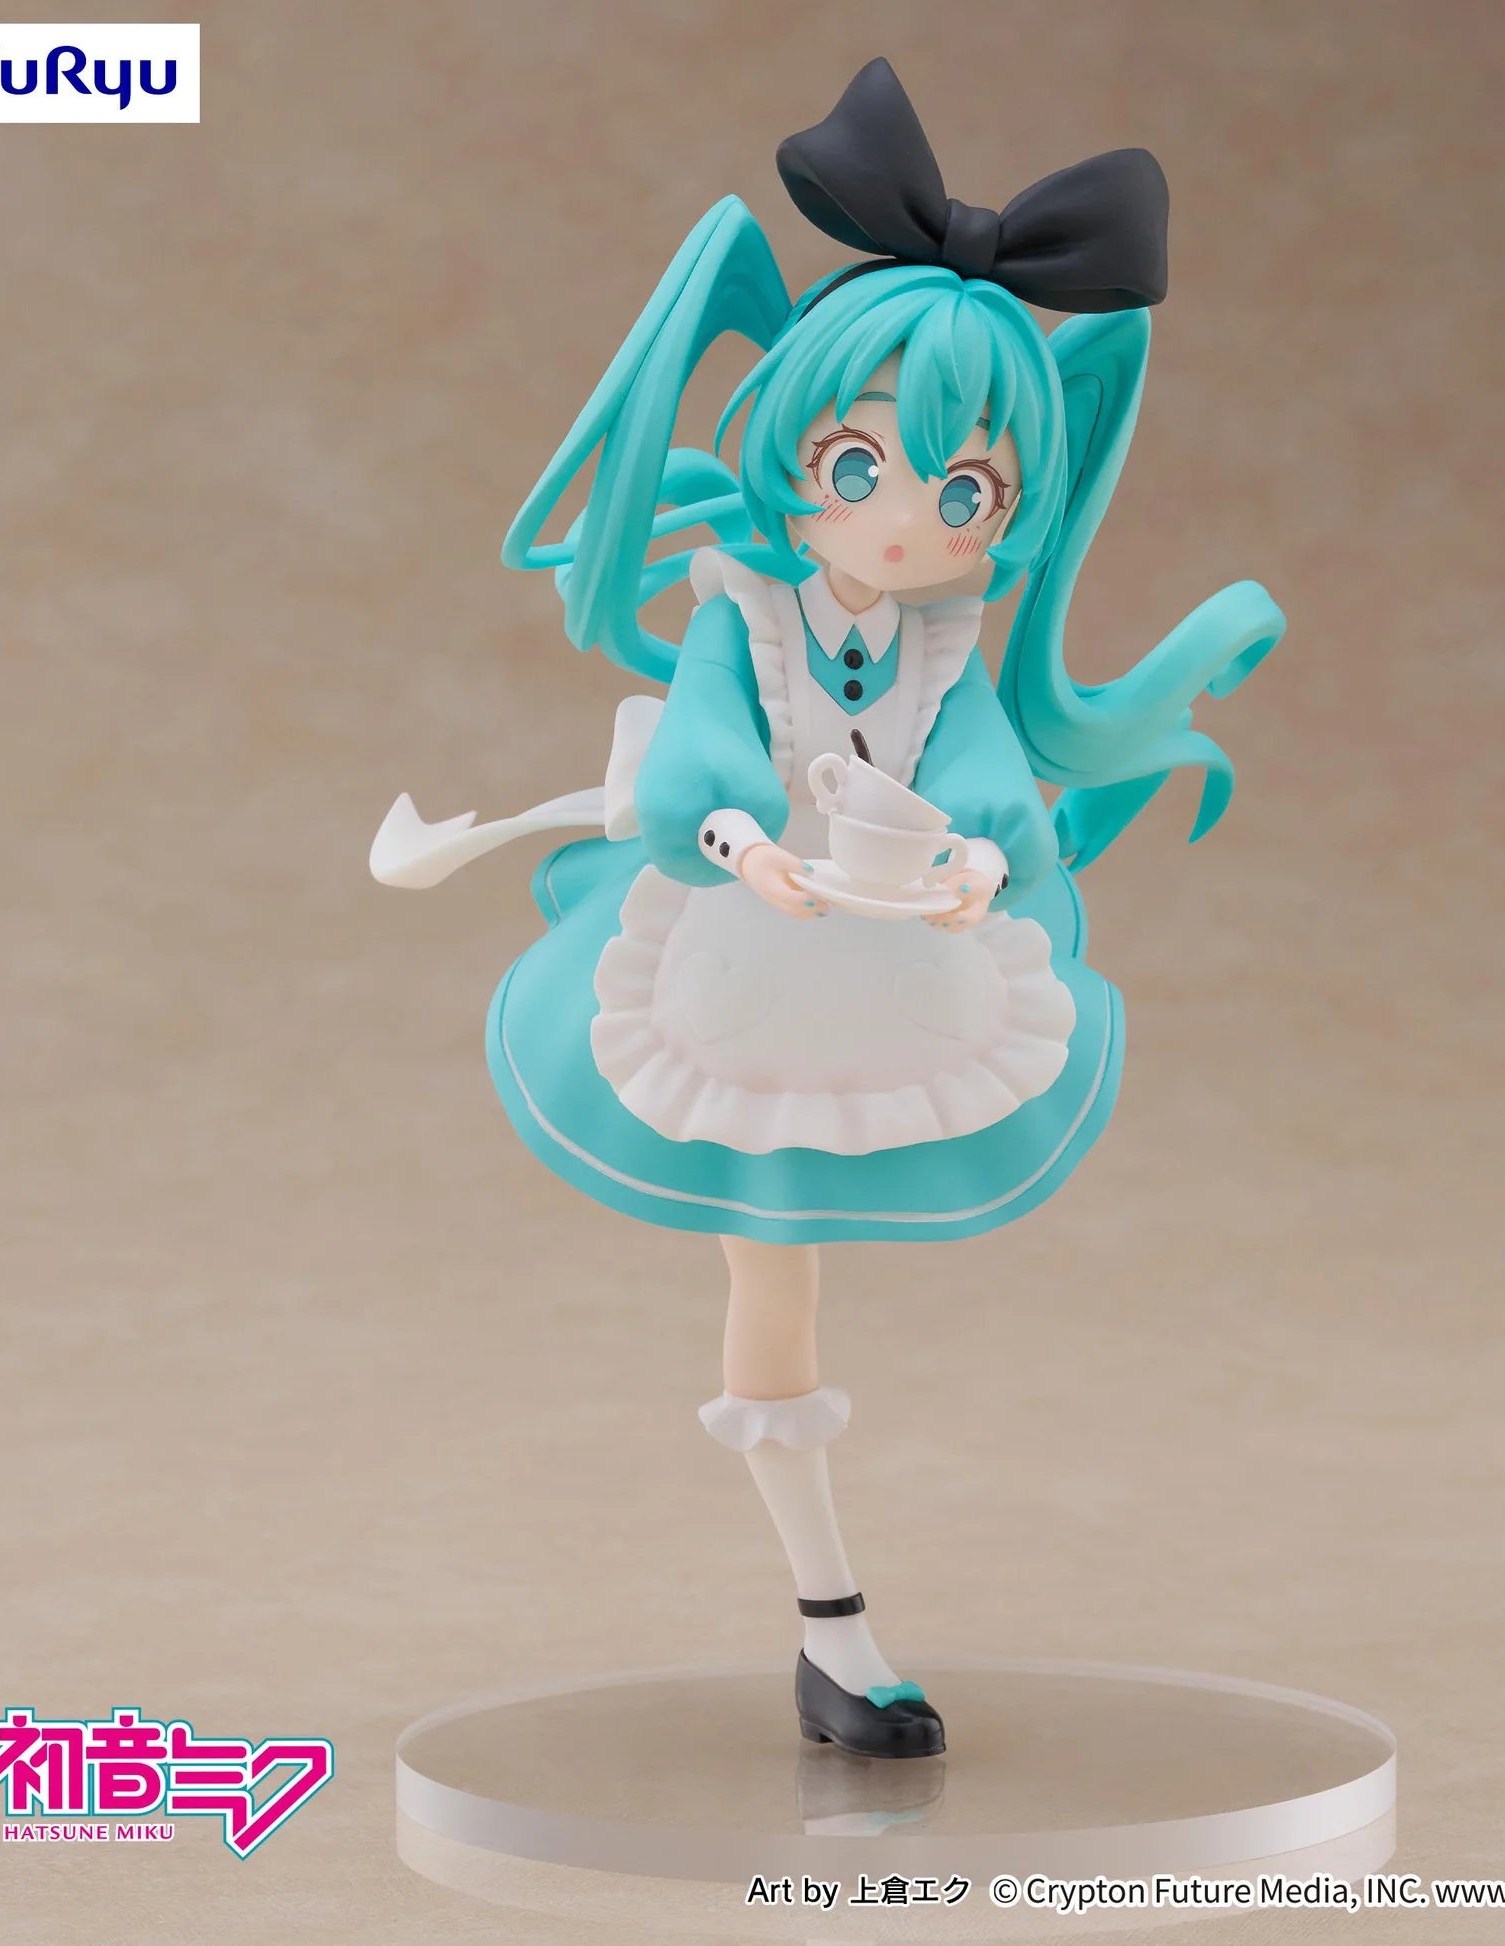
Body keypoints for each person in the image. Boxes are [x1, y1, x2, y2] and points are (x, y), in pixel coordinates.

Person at [372, 58, 1284, 1757]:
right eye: (858, 464)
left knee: (795, 1271)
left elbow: (992, 774)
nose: (907, 524)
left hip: (889, 973)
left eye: (964, 493)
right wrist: (743, 845)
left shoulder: (945, 641)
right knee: (773, 1276)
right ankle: (832, 1620)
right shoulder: (747, 606)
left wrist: (982, 865)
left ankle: (830, 1625)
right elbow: (702, 751)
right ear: (792, 447)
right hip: (742, 964)